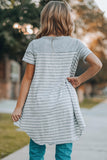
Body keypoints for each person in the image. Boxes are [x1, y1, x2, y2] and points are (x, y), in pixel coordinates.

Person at [11, 1, 103, 160]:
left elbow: (27, 78)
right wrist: (79, 80)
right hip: (64, 105)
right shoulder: (75, 44)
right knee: (63, 154)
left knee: (36, 152)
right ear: (67, 19)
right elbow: (97, 64)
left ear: (45, 19)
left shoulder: (35, 45)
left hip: (39, 105)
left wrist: (18, 107)